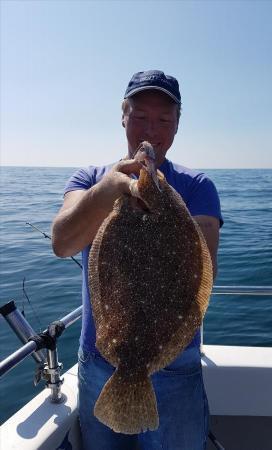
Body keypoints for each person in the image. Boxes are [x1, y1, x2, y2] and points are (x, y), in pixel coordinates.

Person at [52, 70, 223, 450]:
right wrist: (106, 193)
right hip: (99, 362)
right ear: (123, 116)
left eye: (164, 119)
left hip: (175, 364)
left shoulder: (197, 187)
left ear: (177, 124)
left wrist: (159, 207)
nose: (152, 129)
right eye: (141, 116)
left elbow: (204, 265)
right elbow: (62, 243)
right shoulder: (90, 179)